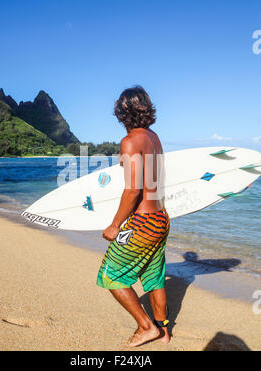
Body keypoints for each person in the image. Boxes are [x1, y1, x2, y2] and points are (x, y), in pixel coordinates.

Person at [96, 86, 170, 347]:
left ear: (121, 112)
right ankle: (164, 331)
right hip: (161, 217)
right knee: (153, 275)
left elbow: (133, 189)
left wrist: (115, 225)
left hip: (143, 222)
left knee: (110, 275)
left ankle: (146, 326)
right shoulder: (153, 137)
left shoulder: (129, 141)